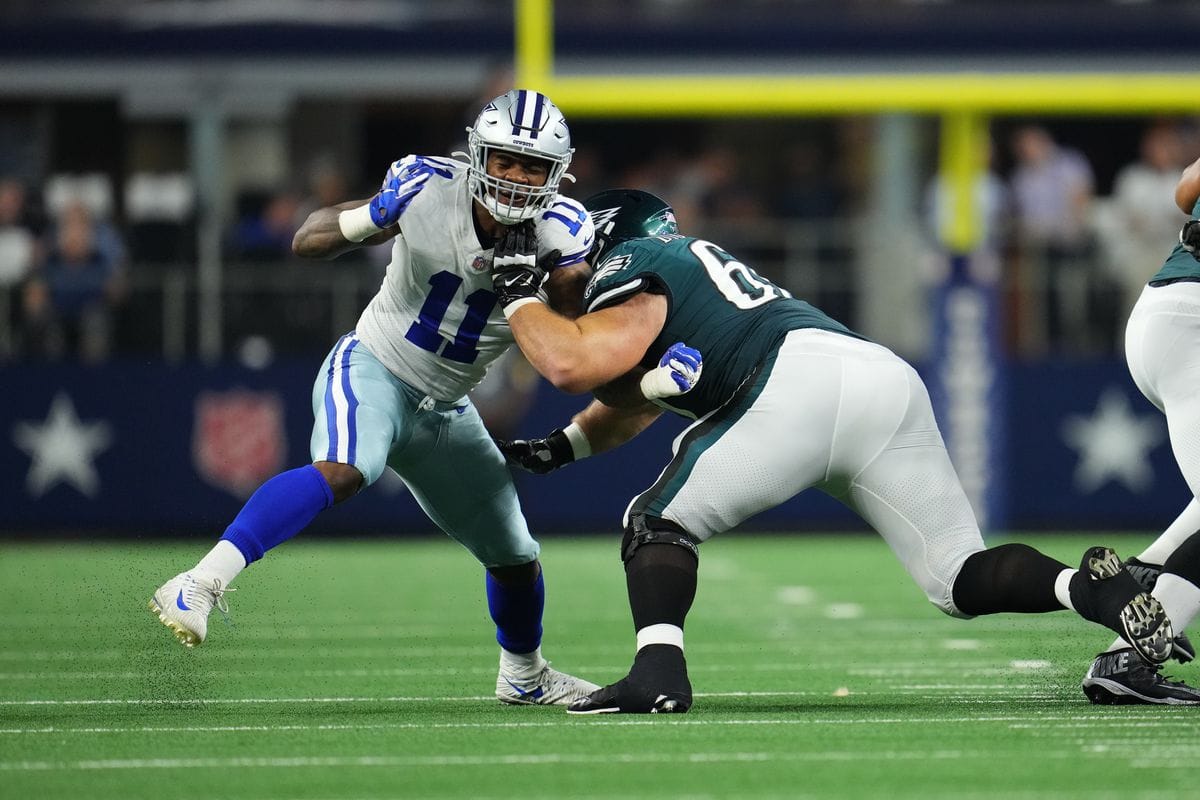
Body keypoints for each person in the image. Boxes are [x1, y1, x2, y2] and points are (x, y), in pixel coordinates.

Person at [489, 188, 1175, 714]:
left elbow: (578, 366)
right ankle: (1089, 588)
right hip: (876, 376)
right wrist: (566, 446)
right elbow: (636, 395)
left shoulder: (634, 264)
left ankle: (656, 673)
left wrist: (521, 298)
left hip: (792, 388)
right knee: (957, 577)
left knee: (657, 521)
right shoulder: (682, 265)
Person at [149, 89, 602, 706]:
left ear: (557, 173)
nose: (518, 178)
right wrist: (375, 214)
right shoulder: (429, 187)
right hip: (377, 367)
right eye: (505, 161)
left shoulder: (563, 231)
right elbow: (307, 239)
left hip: (448, 408)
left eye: (533, 166)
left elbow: (575, 331)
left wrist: (546, 282)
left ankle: (524, 676)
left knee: (516, 555)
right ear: (478, 156)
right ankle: (199, 582)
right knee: (345, 469)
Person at [1080, 155, 1200, 705]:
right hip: (1190, 324)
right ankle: (1129, 657)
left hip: (1166, 311)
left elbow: (1185, 188)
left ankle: (1143, 577)